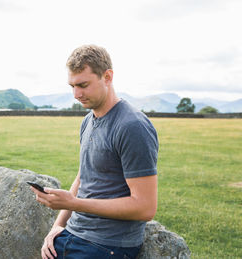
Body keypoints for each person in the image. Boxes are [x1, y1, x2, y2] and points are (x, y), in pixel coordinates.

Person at [30, 44, 159, 259]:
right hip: (73, 234)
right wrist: (56, 226)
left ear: (107, 77)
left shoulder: (132, 126)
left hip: (108, 246)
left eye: (83, 85)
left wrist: (73, 203)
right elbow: (83, 177)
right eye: (72, 86)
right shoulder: (88, 121)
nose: (76, 94)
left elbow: (145, 208)